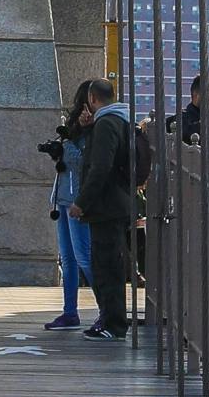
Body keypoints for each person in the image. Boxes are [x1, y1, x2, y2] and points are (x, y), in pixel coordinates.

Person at [73, 80, 138, 339]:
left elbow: (100, 167)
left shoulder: (107, 124)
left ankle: (113, 324)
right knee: (109, 263)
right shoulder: (120, 120)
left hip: (106, 206)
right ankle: (112, 320)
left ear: (92, 97)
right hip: (118, 202)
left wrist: (81, 202)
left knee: (107, 266)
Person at [41, 81, 101, 330]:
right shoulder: (74, 130)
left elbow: (81, 164)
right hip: (63, 198)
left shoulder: (96, 130)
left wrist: (68, 144)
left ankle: (106, 310)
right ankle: (69, 312)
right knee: (67, 259)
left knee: (84, 257)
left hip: (77, 200)